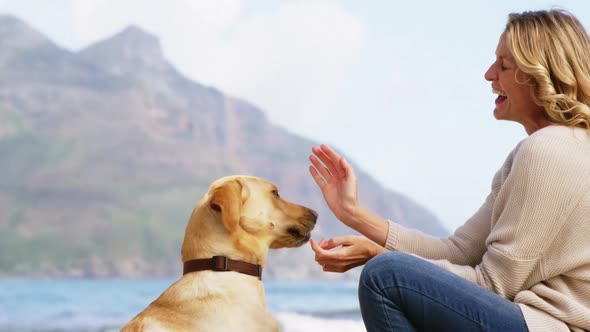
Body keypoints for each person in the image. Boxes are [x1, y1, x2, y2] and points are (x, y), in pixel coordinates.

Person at [308, 9, 590, 332]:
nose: (488, 74)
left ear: (540, 74)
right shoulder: (554, 148)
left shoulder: (547, 152)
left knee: (384, 278)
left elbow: (493, 284)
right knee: (389, 271)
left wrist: (375, 258)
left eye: (504, 65)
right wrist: (352, 212)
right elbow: (459, 252)